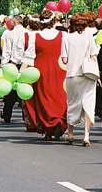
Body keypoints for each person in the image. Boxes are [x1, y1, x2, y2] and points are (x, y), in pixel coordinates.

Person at [21, 10, 68, 140]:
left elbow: (29, 57)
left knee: (43, 98)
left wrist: (21, 72)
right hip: (60, 69)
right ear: (54, 21)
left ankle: (48, 127)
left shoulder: (34, 37)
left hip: (40, 70)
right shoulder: (63, 34)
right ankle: (59, 120)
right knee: (60, 95)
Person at [63, 12, 99, 146]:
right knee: (88, 104)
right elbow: (94, 55)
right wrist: (98, 73)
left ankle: (71, 134)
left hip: (73, 74)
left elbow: (65, 59)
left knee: (72, 103)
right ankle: (86, 136)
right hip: (88, 74)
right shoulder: (89, 36)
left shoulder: (66, 37)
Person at [0, 15, 27, 123]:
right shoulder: (27, 33)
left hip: (13, 64)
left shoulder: (8, 33)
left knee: (10, 91)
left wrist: (3, 65)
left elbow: (6, 51)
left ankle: (7, 114)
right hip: (25, 64)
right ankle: (26, 116)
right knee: (24, 90)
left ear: (15, 22)